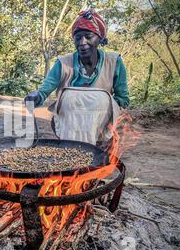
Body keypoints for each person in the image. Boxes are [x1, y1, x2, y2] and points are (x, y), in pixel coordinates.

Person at [24, 9, 129, 147]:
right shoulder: (63, 63)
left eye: (88, 36)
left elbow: (123, 99)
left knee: (102, 99)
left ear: (100, 38)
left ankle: (96, 144)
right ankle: (70, 146)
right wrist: (36, 96)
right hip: (68, 126)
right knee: (68, 98)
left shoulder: (114, 62)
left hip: (100, 127)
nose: (82, 42)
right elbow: (44, 90)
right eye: (78, 38)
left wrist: (99, 106)